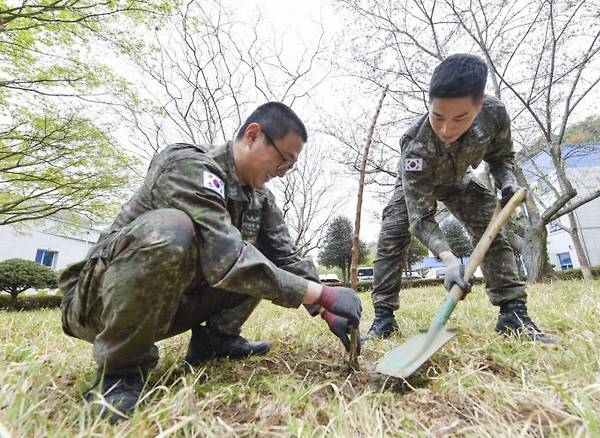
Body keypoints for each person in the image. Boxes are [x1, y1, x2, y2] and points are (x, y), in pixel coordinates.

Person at [59, 102, 362, 423]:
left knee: (256, 250)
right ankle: (120, 371)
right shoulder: (186, 165)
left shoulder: (260, 200)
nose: (284, 171)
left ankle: (216, 340)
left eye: (291, 166)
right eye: (284, 159)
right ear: (253, 135)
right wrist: (322, 295)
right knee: (174, 229)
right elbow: (227, 258)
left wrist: (328, 309)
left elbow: (285, 258)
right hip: (97, 303)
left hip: (170, 305)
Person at [363, 54, 557, 345]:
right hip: (417, 186)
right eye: (437, 116)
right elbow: (421, 218)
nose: (446, 129)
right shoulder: (415, 144)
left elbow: (501, 158)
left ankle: (513, 314)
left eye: (460, 118)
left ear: (479, 105)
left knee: (492, 232)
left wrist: (507, 184)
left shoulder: (494, 114)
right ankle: (384, 318)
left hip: (458, 181)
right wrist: (449, 259)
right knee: (391, 238)